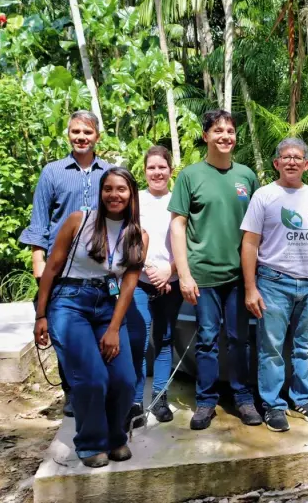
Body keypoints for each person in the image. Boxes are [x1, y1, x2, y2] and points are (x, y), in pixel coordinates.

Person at [33, 168, 148, 468]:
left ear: (131, 194)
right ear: (101, 192)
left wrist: (114, 329)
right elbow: (51, 268)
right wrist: (41, 314)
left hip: (109, 306)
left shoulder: (138, 235)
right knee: (93, 378)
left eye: (121, 189)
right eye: (108, 188)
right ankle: (91, 443)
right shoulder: (79, 220)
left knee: (124, 379)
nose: (114, 195)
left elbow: (128, 285)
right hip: (69, 303)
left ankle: (115, 437)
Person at [169, 110, 261, 430]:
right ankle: (206, 401)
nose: (225, 136)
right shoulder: (190, 176)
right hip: (203, 276)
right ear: (206, 136)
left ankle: (243, 398)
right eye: (218, 130)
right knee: (206, 339)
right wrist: (184, 274)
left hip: (239, 276)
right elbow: (178, 226)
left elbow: (257, 228)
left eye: (230, 131)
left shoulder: (246, 176)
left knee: (239, 339)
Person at [241, 137, 308, 432]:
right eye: (286, 157)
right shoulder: (264, 196)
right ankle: (273, 405)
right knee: (271, 348)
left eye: (297, 157)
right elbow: (249, 243)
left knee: (306, 346)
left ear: (306, 164)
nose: (292, 161)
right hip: (274, 282)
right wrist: (250, 287)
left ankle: (303, 399)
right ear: (276, 163)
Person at [21, 110, 113, 417]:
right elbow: (39, 221)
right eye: (76, 132)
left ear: (97, 136)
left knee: (98, 330)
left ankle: (99, 387)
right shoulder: (53, 172)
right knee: (63, 333)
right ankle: (72, 391)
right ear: (68, 134)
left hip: (100, 267)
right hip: (59, 269)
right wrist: (38, 261)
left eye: (87, 132)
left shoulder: (109, 172)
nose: (81, 137)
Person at [125, 146, 184, 427]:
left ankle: (160, 398)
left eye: (162, 167)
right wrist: (148, 268)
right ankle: (135, 402)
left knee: (164, 340)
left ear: (170, 170)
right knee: (138, 340)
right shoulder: (135, 201)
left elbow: (187, 243)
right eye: (152, 167)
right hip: (140, 280)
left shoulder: (178, 201)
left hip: (170, 282)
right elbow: (128, 239)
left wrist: (169, 271)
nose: (157, 172)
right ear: (144, 171)